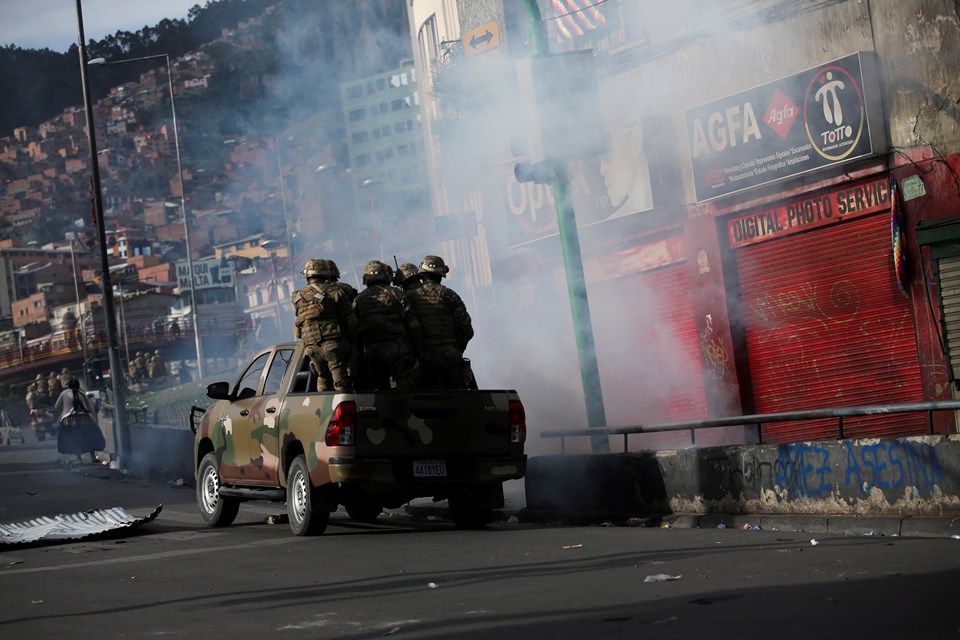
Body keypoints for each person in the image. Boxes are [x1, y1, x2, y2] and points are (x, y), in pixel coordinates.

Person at [406, 255, 474, 389]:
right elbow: (467, 329)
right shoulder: (450, 295)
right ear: (442, 274)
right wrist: (456, 349)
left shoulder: (409, 297)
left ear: (422, 273)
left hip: (423, 360)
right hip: (450, 357)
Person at [353, 260, 422, 389]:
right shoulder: (396, 293)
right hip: (399, 348)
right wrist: (418, 349)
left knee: (380, 391)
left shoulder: (359, 300)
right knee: (406, 387)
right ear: (386, 275)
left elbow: (354, 329)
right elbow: (413, 324)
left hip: (372, 351)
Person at [292, 258, 358, 391]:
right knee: (341, 386)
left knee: (322, 380)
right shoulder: (335, 292)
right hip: (333, 347)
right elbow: (353, 323)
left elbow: (298, 332)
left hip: (311, 350)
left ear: (307, 275)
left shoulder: (297, 297)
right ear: (325, 273)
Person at [54, 378, 105, 465]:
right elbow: (90, 408)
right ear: (78, 386)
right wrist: (93, 419)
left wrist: (64, 411)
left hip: (68, 421)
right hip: (84, 419)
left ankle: (79, 459)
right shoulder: (82, 393)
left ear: (69, 386)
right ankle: (93, 458)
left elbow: (56, 406)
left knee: (74, 439)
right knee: (90, 437)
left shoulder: (63, 393)